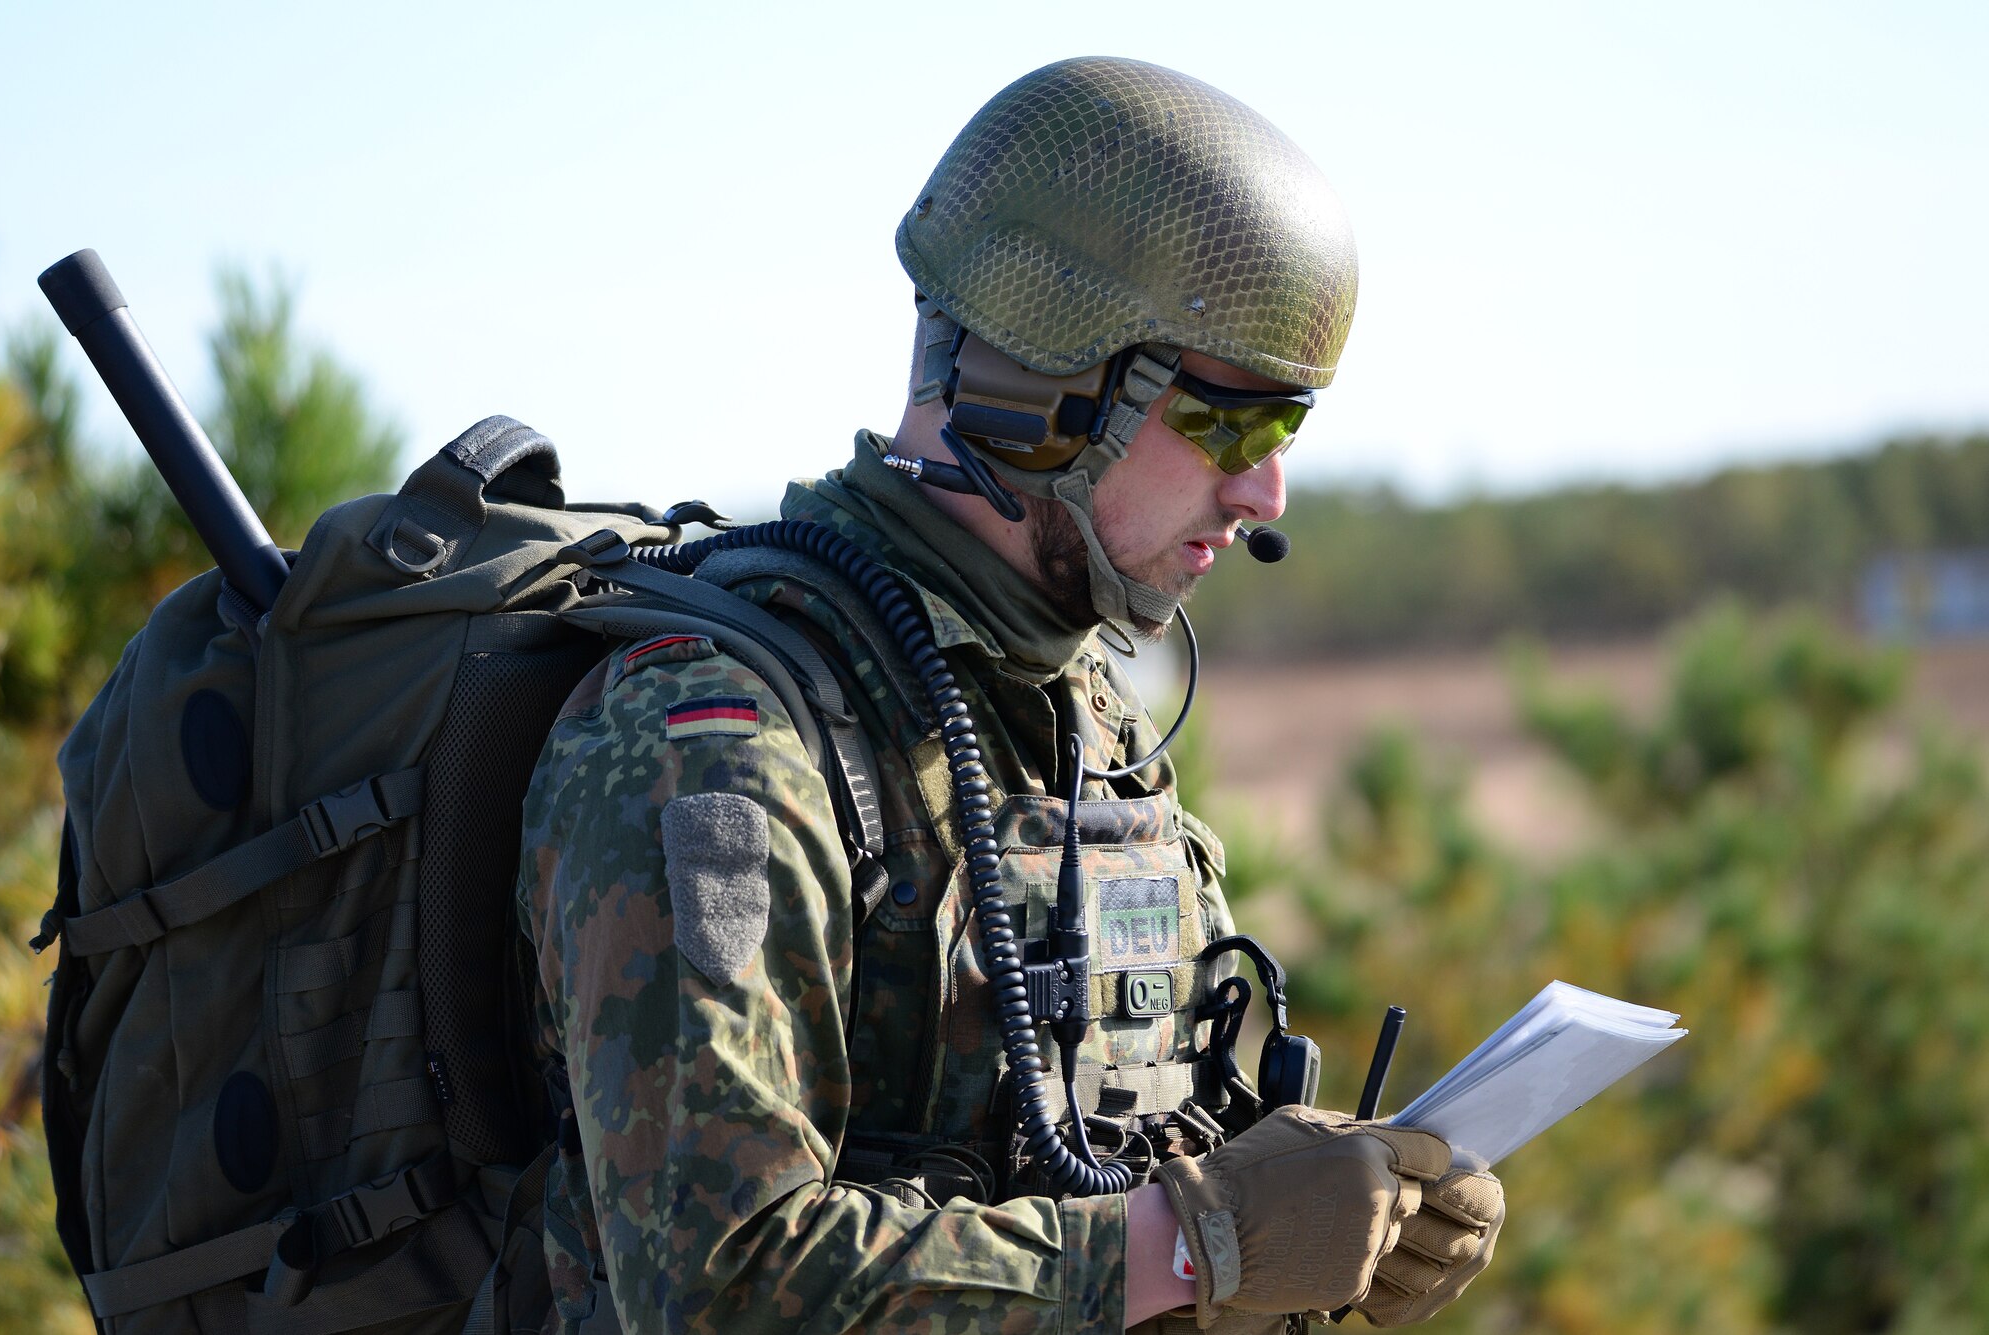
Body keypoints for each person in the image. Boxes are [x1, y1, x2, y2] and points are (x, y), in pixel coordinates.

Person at [516, 56, 1504, 1334]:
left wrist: (1333, 1201)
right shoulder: (715, 741)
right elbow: (720, 1284)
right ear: (1036, 392)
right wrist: (1197, 1248)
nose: (1264, 501)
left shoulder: (1083, 722)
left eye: (1284, 437)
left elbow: (1111, 1146)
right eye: (1227, 427)